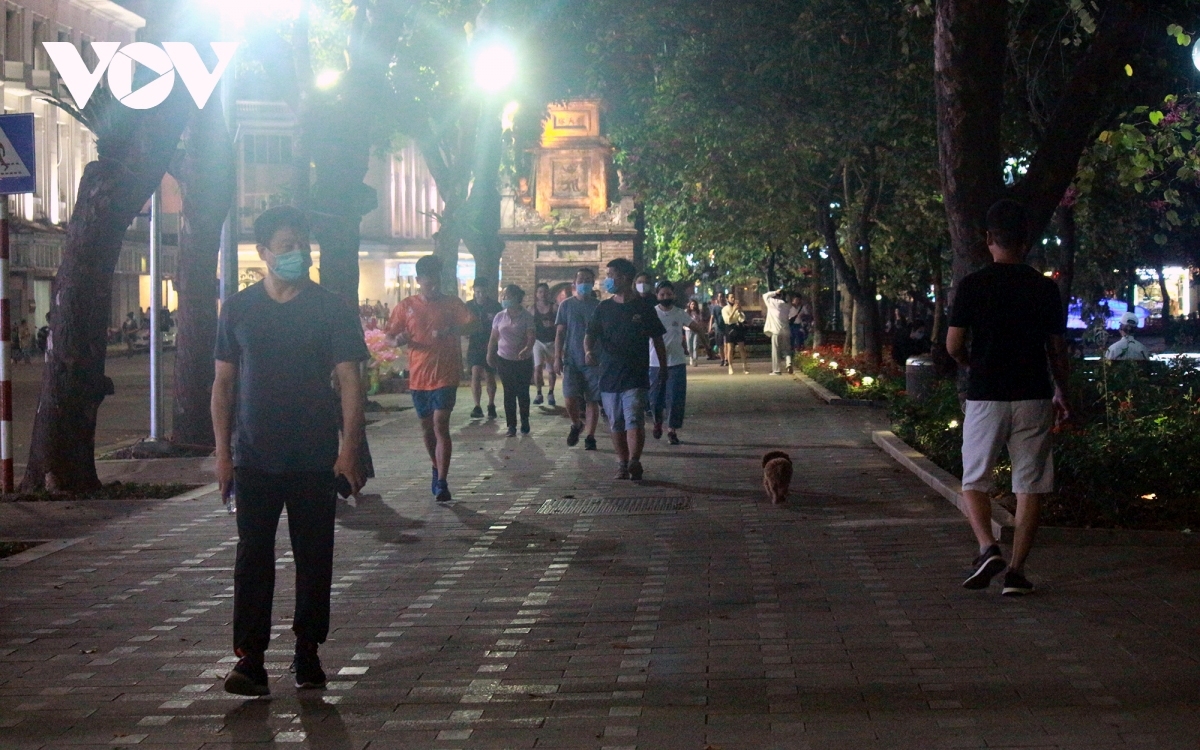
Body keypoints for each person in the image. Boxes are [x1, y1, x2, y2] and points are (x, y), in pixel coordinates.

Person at [211, 205, 368, 696]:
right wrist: (222, 455)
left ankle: (308, 650)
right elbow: (222, 385)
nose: (297, 253)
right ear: (262, 254)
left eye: (302, 245)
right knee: (252, 558)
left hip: (314, 456)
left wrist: (349, 449)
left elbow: (350, 381)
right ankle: (250, 659)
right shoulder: (238, 309)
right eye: (286, 246)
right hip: (254, 456)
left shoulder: (331, 308)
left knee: (314, 557)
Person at [946, 199, 1070, 597]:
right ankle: (1016, 572)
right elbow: (1056, 348)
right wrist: (1062, 389)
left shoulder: (972, 285)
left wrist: (971, 362)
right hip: (1033, 394)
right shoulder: (1044, 288)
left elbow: (953, 345)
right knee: (1029, 484)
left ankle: (987, 547)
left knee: (974, 480)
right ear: (1026, 241)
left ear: (988, 239)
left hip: (986, 395)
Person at [387, 255, 473, 503]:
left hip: (446, 374)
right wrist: (398, 340)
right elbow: (389, 336)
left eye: (437, 279)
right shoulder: (406, 307)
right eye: (428, 280)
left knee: (440, 424)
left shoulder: (452, 304)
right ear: (419, 280)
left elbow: (474, 326)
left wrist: (452, 330)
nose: (433, 284)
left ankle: (443, 482)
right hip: (418, 377)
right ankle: (436, 467)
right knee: (427, 429)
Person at [585, 258, 667, 480]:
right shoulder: (604, 308)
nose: (608, 279)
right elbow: (590, 334)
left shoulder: (643, 308)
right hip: (609, 375)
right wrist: (588, 351)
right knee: (616, 422)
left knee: (634, 418)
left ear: (625, 278)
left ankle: (634, 461)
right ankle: (622, 462)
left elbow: (657, 339)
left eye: (611, 275)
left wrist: (663, 367)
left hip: (635, 375)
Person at [650, 281, 706, 445]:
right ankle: (657, 422)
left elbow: (695, 327)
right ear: (657, 296)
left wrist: (707, 346)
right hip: (654, 364)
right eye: (662, 294)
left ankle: (672, 430)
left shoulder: (680, 313)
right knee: (654, 399)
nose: (665, 297)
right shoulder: (651, 313)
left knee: (675, 398)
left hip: (676, 363)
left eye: (668, 294)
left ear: (673, 295)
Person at [555, 267, 602, 451]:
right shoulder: (566, 305)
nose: (584, 283)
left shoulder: (599, 306)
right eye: (581, 279)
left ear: (593, 283)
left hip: (592, 360)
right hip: (571, 359)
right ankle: (576, 424)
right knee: (569, 397)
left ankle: (590, 436)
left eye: (588, 280)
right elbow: (560, 333)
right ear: (574, 283)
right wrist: (557, 357)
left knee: (592, 399)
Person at [488, 284, 537, 436]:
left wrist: (527, 349)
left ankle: (525, 420)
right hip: (504, 359)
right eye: (503, 295)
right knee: (508, 392)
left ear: (516, 297)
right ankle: (511, 425)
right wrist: (490, 353)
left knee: (522, 391)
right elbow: (493, 338)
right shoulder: (499, 316)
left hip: (523, 360)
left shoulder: (526, 317)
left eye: (507, 295)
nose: (504, 298)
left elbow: (531, 337)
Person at [465, 284, 501, 420]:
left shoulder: (495, 306)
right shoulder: (468, 306)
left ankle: (491, 404)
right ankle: (477, 405)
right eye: (478, 291)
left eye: (483, 291)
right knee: (475, 372)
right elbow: (463, 321)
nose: (480, 294)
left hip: (490, 342)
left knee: (489, 374)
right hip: (475, 343)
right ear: (474, 291)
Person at [531, 282, 558, 406]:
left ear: (549, 293)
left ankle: (551, 392)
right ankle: (539, 392)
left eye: (545, 292)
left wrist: (553, 325)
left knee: (551, 370)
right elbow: (529, 325)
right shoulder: (532, 309)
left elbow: (561, 324)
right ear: (536, 294)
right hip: (538, 341)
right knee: (537, 367)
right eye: (540, 292)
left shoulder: (554, 308)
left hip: (552, 341)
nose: (542, 294)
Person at [762, 288, 793, 375]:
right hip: (786, 330)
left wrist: (775, 292)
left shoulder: (773, 303)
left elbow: (765, 295)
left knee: (775, 350)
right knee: (787, 349)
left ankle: (776, 370)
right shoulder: (787, 305)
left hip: (776, 330)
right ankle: (789, 362)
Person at [722, 294, 749, 374]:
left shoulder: (737, 307)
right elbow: (728, 320)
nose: (733, 299)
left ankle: (744, 366)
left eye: (734, 297)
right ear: (727, 299)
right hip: (730, 328)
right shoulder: (725, 309)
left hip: (738, 327)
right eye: (731, 297)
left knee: (742, 348)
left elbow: (742, 319)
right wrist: (733, 310)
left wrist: (740, 311)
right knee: (730, 348)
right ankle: (730, 366)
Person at [685, 299, 706, 367]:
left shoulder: (698, 312)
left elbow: (700, 321)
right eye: (692, 304)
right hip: (688, 330)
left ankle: (695, 360)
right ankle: (691, 357)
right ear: (689, 305)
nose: (693, 306)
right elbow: (683, 321)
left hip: (696, 330)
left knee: (695, 345)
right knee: (689, 346)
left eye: (694, 304)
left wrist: (700, 328)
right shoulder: (686, 312)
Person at [709, 292, 728, 365]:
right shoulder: (715, 308)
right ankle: (722, 359)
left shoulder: (727, 306)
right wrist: (710, 327)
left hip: (726, 327)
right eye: (720, 297)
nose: (721, 298)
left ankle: (726, 359)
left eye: (722, 296)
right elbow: (712, 318)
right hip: (718, 328)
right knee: (720, 345)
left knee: (726, 344)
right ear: (718, 298)